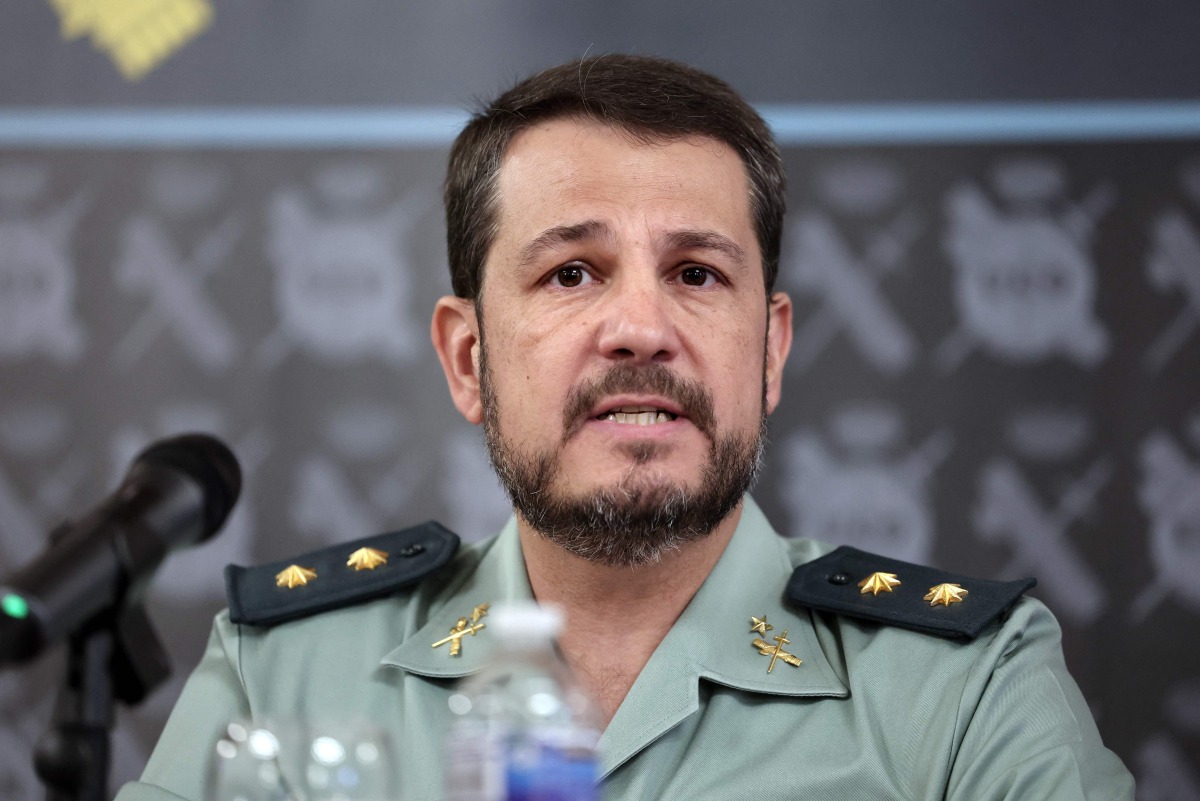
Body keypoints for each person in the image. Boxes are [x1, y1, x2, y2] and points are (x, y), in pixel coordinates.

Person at [115, 54, 1134, 800]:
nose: (640, 327)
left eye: (696, 274)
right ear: (469, 359)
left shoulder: (963, 689)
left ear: (771, 351)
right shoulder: (284, 673)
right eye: (571, 273)